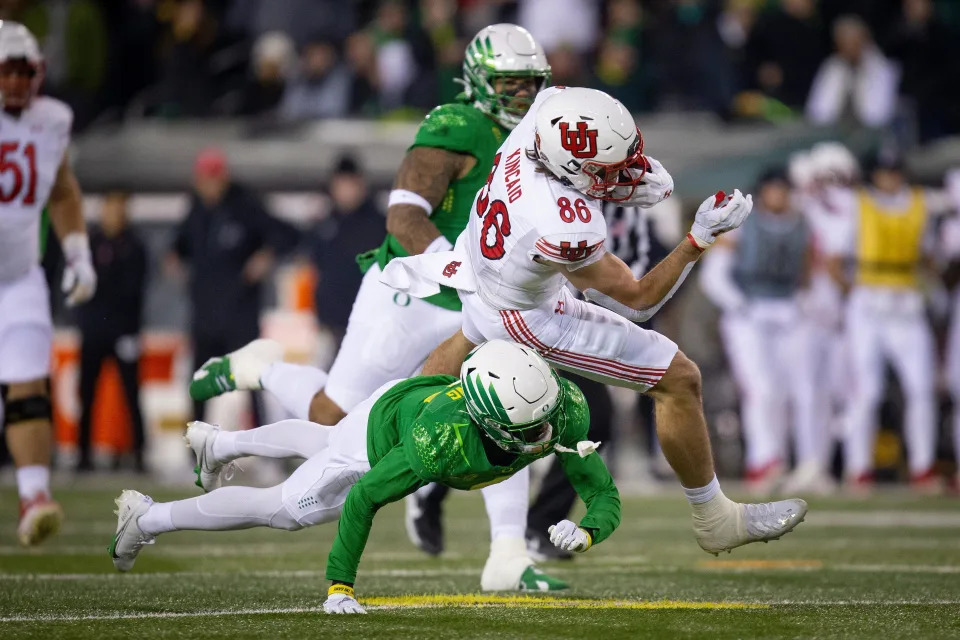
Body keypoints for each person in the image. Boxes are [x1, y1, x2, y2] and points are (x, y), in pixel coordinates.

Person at [189, 24, 563, 592]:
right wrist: (458, 269)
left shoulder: (545, 135)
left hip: (480, 302)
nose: (521, 96)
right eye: (509, 83)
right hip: (410, 292)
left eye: (529, 83)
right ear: (480, 81)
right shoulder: (457, 125)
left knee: (506, 407)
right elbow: (404, 218)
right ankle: (258, 367)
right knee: (331, 418)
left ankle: (507, 553)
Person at [381, 85, 808, 553]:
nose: (623, 174)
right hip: (528, 311)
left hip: (484, 269)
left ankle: (396, 441)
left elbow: (579, 125)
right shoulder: (565, 223)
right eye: (607, 172)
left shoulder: (543, 113)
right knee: (678, 378)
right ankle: (715, 519)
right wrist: (698, 239)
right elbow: (638, 301)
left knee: (470, 330)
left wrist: (616, 169)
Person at [109, 341, 621, 615]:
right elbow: (365, 501)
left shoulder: (559, 406)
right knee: (286, 510)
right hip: (381, 437)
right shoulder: (440, 445)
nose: (545, 433)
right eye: (530, 428)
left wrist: (589, 529)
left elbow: (600, 489)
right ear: (490, 421)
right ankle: (148, 517)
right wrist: (340, 586)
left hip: (409, 399)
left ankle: (218, 444)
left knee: (322, 439)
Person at [0, 22, 96, 545]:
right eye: (6, 70)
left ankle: (34, 493)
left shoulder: (50, 120)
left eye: (24, 70)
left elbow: (61, 190)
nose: (16, 82)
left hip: (18, 276)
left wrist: (78, 252)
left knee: (29, 389)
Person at [826, 152, 951, 490]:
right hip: (868, 304)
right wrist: (852, 296)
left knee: (922, 387)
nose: (891, 179)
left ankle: (923, 467)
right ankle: (859, 467)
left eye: (895, 172)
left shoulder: (919, 205)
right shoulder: (858, 204)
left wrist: (934, 287)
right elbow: (835, 261)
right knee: (866, 392)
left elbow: (927, 256)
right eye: (884, 173)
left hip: (907, 303)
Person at [700, 168, 827, 495]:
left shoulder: (803, 223)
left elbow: (810, 272)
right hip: (749, 312)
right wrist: (739, 304)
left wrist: (806, 301)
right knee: (761, 389)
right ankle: (764, 460)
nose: (778, 196)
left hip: (788, 309)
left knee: (802, 389)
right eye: (772, 189)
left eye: (783, 189)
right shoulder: (741, 223)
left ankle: (809, 462)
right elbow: (713, 276)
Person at [168, 147, 297, 426]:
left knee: (254, 381)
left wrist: (267, 255)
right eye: (204, 178)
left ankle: (267, 453)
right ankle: (195, 454)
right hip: (204, 313)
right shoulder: (195, 209)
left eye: (214, 177)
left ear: (224, 177)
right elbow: (179, 245)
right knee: (199, 383)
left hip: (240, 313)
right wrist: (174, 258)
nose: (209, 184)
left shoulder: (246, 206)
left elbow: (287, 234)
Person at [76, 192, 148, 472]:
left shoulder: (134, 245)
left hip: (123, 331)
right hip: (94, 329)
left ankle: (140, 453)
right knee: (87, 393)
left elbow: (133, 290)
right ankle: (83, 455)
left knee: (131, 394)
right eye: (110, 207)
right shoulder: (89, 244)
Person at [306, 155, 385, 343]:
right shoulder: (325, 223)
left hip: (371, 322)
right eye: (340, 184)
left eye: (350, 184)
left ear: (361, 185)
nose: (345, 190)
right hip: (332, 321)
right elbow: (314, 265)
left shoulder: (380, 225)